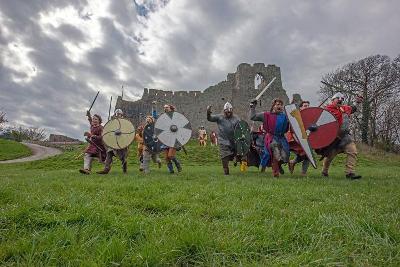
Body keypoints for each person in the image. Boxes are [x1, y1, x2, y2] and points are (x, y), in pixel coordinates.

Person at [319, 93, 363, 179]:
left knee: (352, 151)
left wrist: (357, 101)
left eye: (342, 99)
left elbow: (353, 108)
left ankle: (350, 173)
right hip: (333, 138)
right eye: (338, 99)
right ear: (332, 100)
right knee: (330, 156)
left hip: (345, 136)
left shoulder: (345, 108)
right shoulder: (326, 110)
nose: (340, 100)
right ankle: (324, 171)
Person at [250, 98, 289, 177]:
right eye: (277, 104)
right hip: (271, 137)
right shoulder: (266, 115)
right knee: (275, 150)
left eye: (281, 105)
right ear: (273, 106)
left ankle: (279, 165)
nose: (280, 106)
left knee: (285, 155)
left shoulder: (285, 117)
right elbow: (253, 117)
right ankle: (275, 173)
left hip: (281, 138)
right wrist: (252, 106)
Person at [207, 102, 241, 175]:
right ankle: (226, 173)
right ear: (224, 111)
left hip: (234, 141)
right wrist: (208, 113)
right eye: (227, 111)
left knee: (238, 155)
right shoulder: (219, 117)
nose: (228, 113)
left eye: (229, 111)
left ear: (231, 111)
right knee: (224, 156)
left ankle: (236, 159)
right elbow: (210, 118)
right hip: (223, 141)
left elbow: (241, 128)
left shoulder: (237, 118)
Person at [97, 109, 129, 174]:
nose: (118, 115)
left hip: (121, 143)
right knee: (109, 153)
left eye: (119, 114)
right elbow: (109, 131)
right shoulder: (113, 122)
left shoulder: (124, 122)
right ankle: (106, 169)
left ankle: (124, 168)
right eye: (117, 114)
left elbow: (127, 132)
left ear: (121, 115)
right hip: (113, 142)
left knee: (122, 157)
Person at [287, 100, 311, 176]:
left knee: (307, 155)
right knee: (306, 155)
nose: (307, 107)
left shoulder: (310, 117)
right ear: (300, 108)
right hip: (294, 139)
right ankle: (301, 170)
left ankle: (299, 168)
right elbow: (293, 129)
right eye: (305, 106)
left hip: (305, 139)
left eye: (308, 106)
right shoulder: (296, 116)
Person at [162, 104, 182, 173]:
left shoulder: (175, 116)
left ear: (170, 108)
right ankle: (171, 171)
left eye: (167, 107)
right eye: (164, 107)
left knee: (170, 155)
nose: (165, 108)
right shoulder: (163, 117)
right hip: (165, 139)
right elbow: (155, 118)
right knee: (166, 157)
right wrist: (154, 108)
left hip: (173, 139)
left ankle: (177, 164)